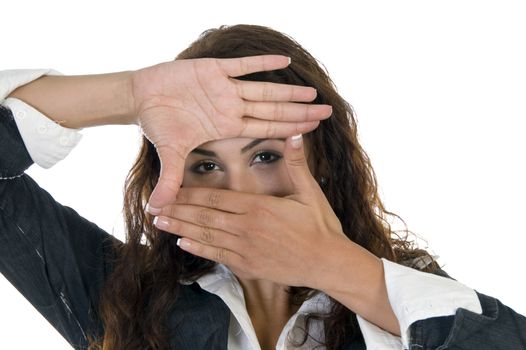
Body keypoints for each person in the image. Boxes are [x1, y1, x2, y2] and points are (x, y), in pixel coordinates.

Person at [1, 24, 525, 350]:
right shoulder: (125, 298)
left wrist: (334, 266)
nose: (239, 195)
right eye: (205, 166)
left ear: (322, 164)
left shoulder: (407, 299)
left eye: (266, 156)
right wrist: (129, 93)